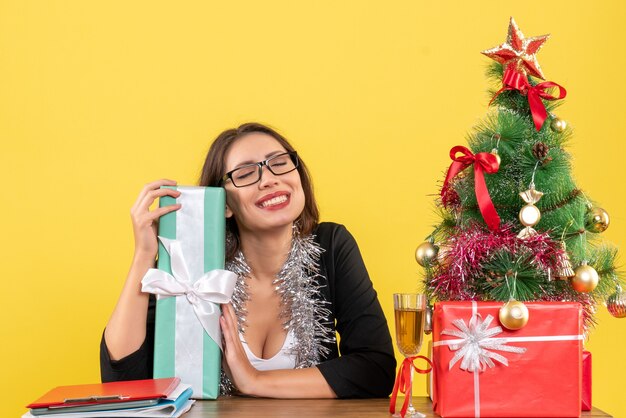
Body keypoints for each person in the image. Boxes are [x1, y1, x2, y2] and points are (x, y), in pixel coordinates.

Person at [100, 122, 396, 398]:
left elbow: (376, 369)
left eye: (279, 163)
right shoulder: (194, 264)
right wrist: (143, 255)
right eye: (245, 174)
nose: (269, 180)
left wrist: (254, 380)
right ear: (224, 204)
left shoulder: (330, 246)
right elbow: (122, 381)